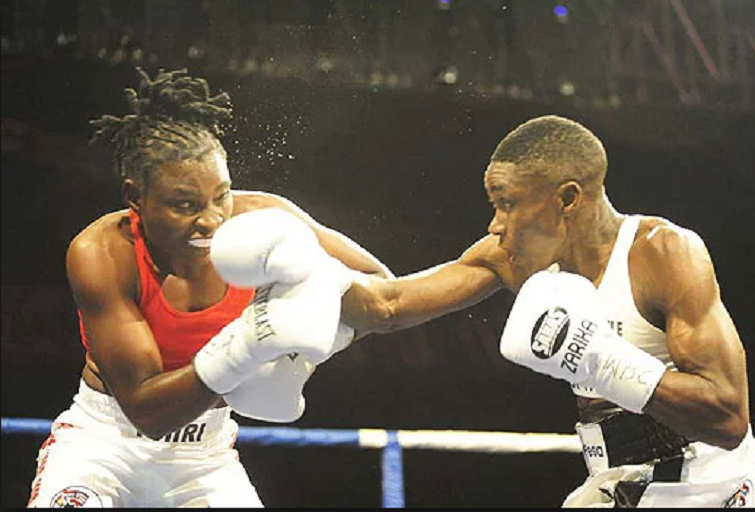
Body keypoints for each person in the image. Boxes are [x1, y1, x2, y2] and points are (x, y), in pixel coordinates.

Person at [342, 114, 754, 507]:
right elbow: (387, 304)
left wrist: (602, 360)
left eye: (507, 203)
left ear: (568, 199)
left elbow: (728, 418)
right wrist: (291, 246)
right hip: (621, 480)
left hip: (711, 484)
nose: (495, 224)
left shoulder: (662, 253)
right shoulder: (513, 258)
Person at [26, 67, 392, 508]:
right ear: (135, 196)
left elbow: (379, 290)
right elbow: (147, 410)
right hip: (105, 445)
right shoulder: (103, 251)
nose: (211, 219)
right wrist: (250, 347)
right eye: (185, 204)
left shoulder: (265, 221)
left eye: (222, 195)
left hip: (205, 458)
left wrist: (310, 348)